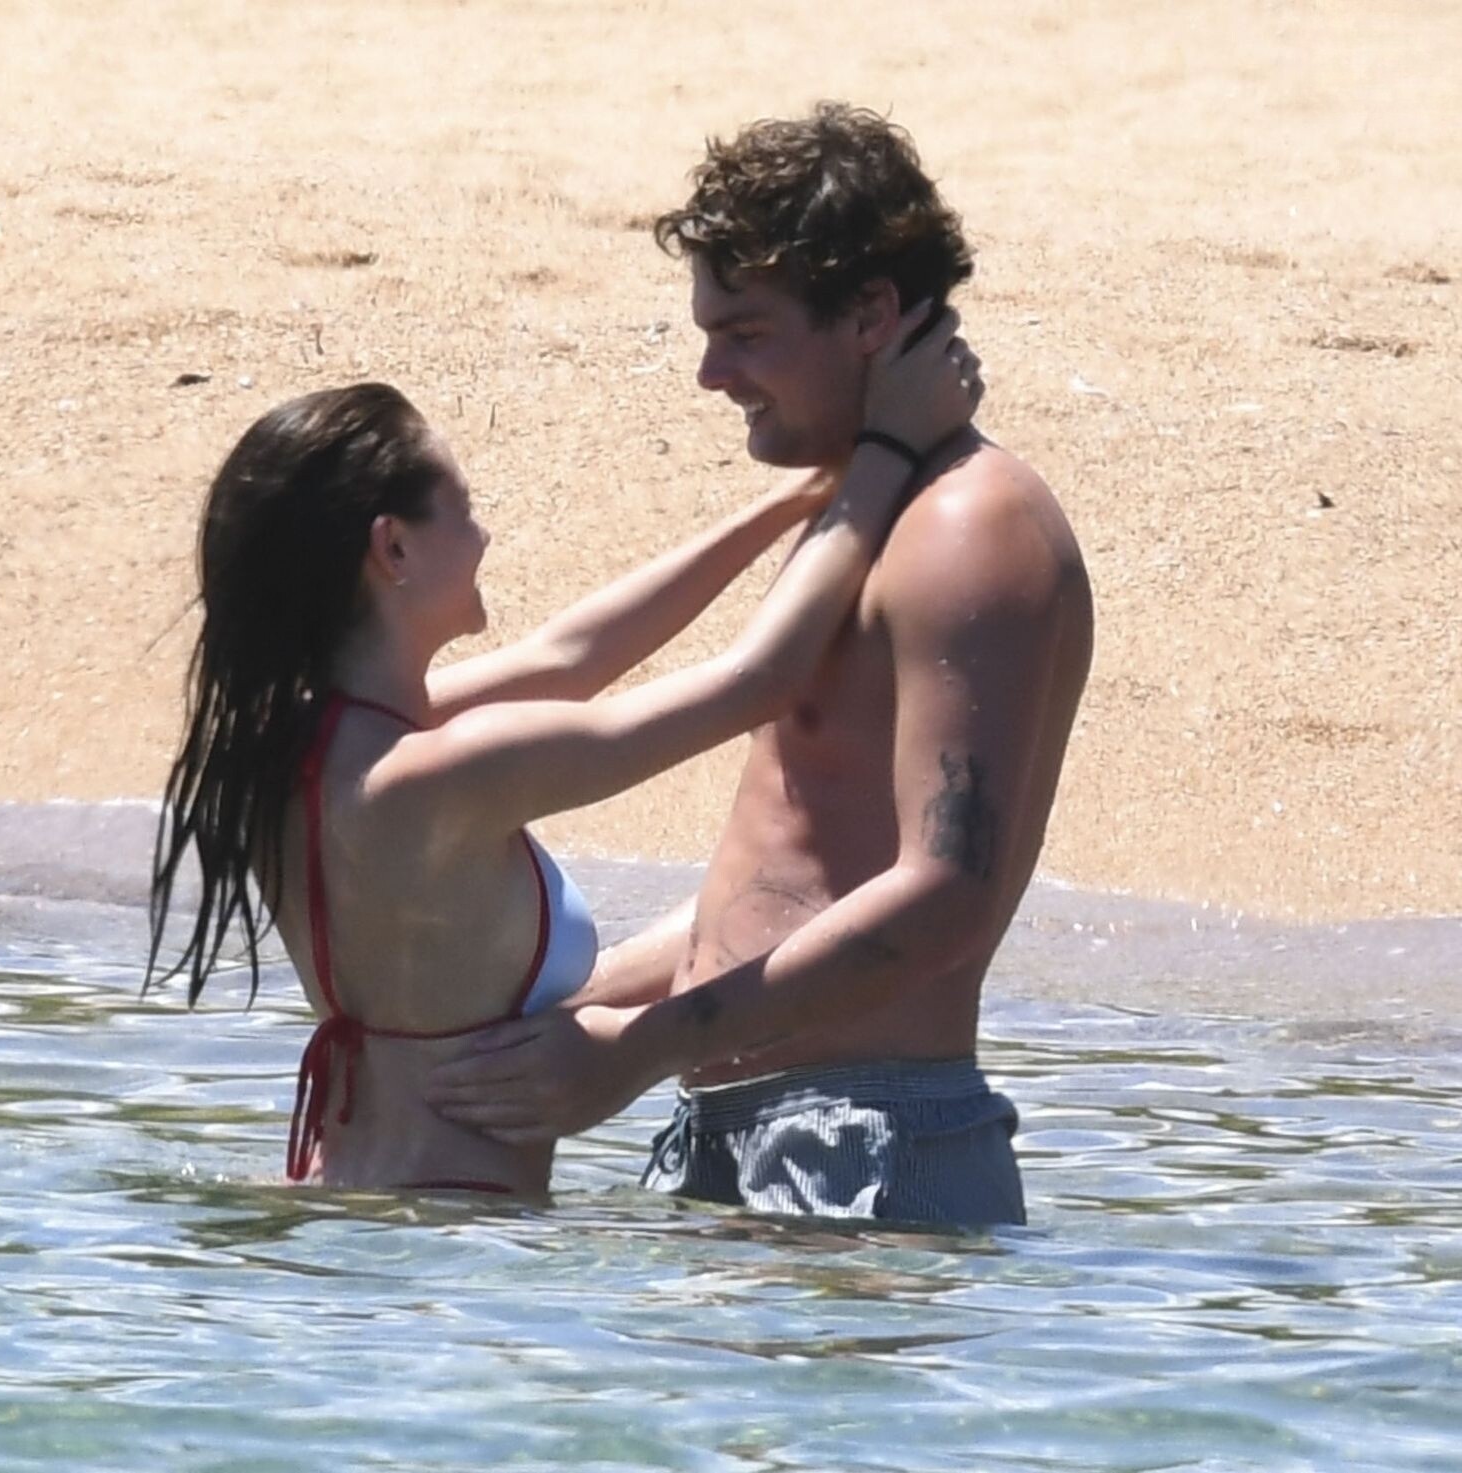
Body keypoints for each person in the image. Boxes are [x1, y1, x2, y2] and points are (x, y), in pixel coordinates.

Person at [427, 103, 1095, 1229]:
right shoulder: (870, 508)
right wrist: (564, 1015)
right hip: (751, 1124)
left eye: (744, 332)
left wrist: (637, 1051)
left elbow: (946, 895)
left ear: (870, 314)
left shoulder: (967, 530)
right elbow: (792, 880)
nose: (709, 372)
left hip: (867, 1142)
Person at [145, 306, 981, 1194]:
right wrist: (889, 449)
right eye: (465, 509)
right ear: (393, 547)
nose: (485, 535)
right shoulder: (446, 771)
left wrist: (802, 497)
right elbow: (759, 680)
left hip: (341, 1205)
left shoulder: (292, 748)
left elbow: (569, 656)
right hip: (456, 1238)